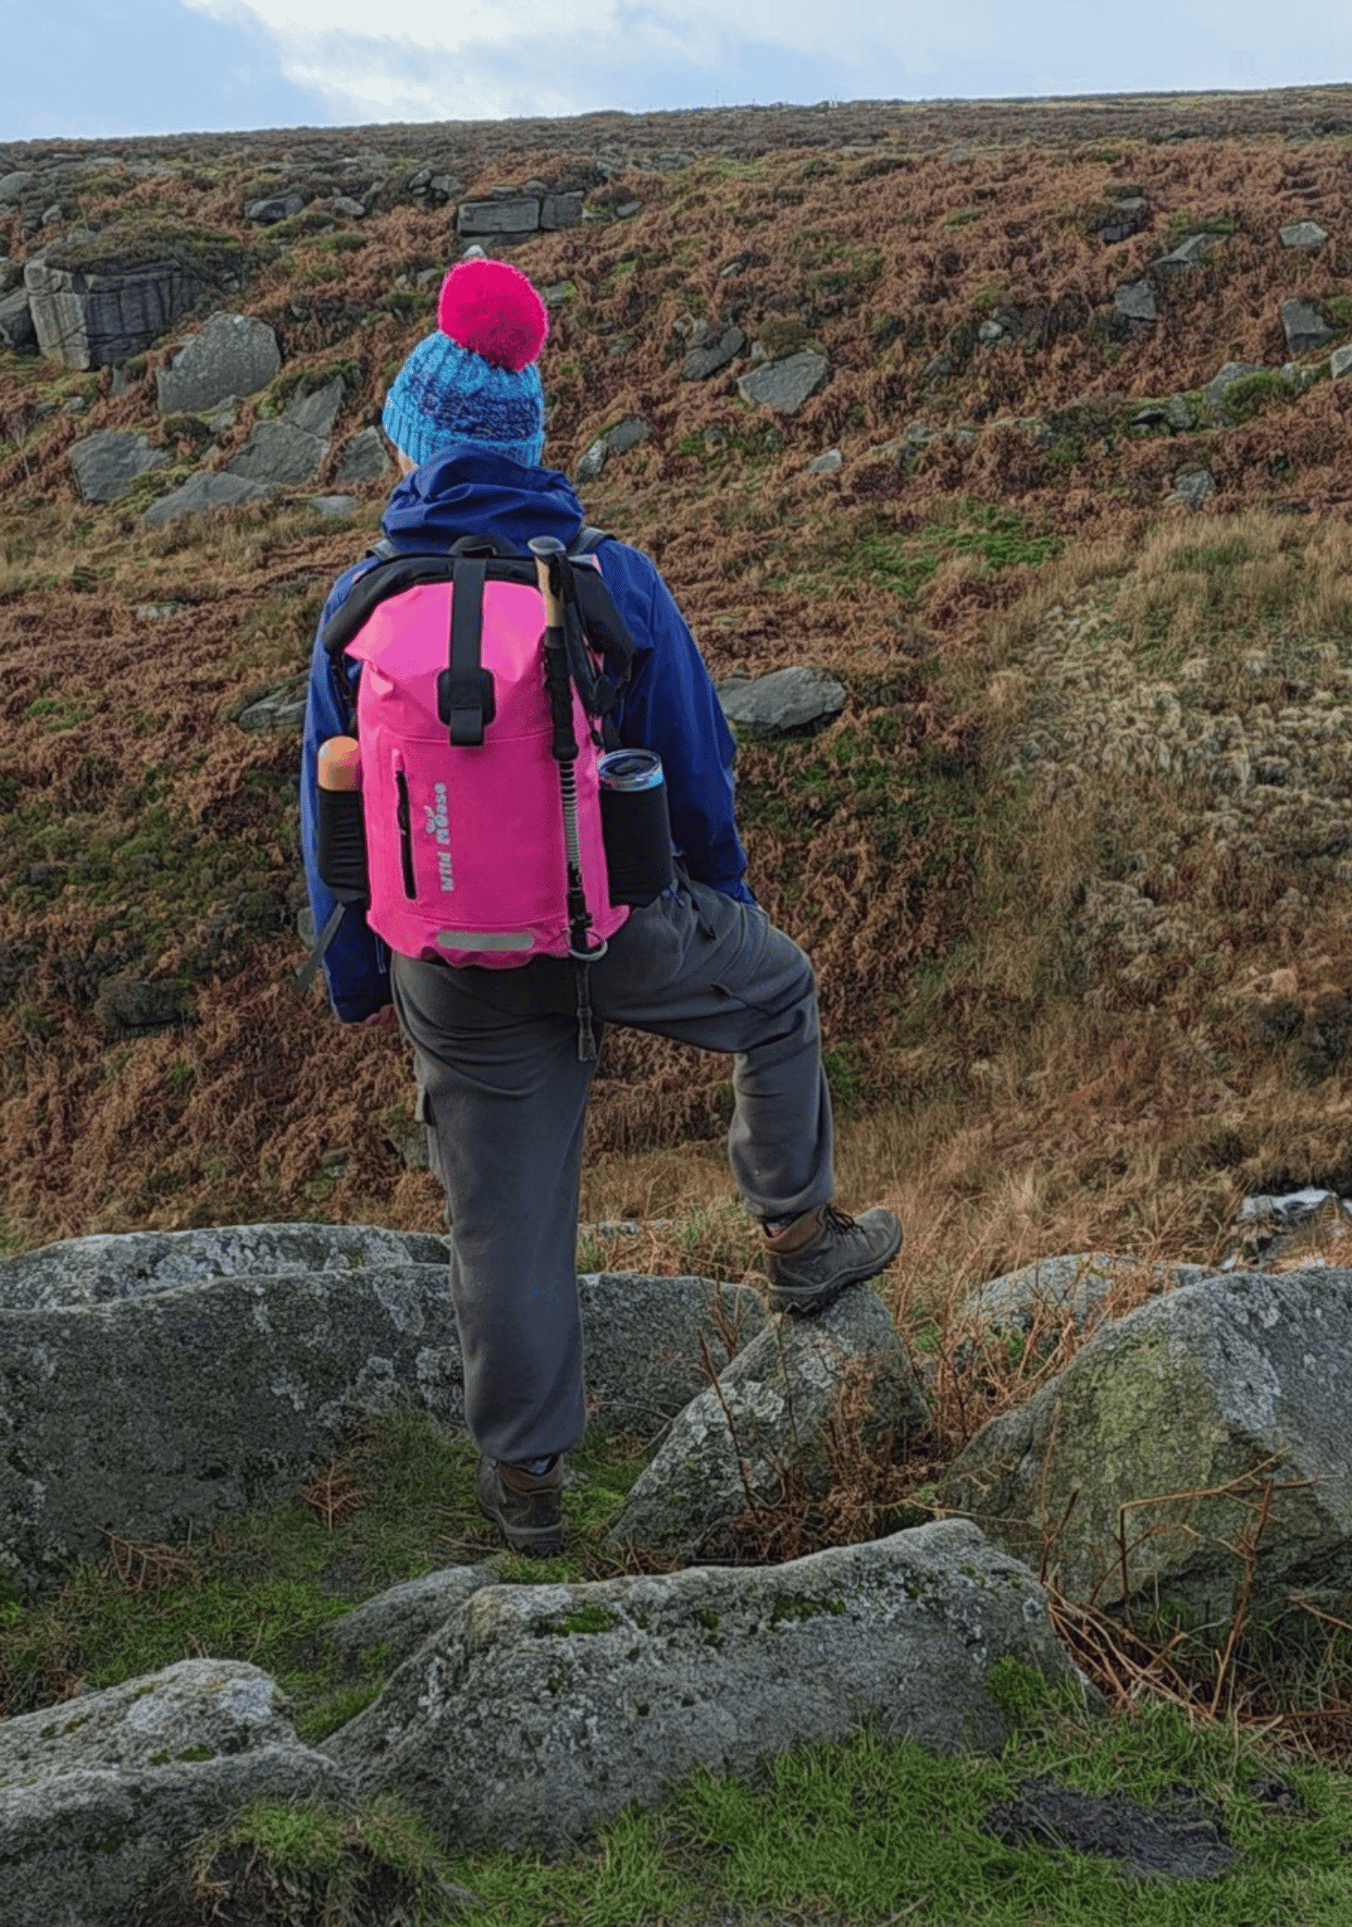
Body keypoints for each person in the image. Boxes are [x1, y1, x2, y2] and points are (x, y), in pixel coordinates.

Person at [301, 257, 901, 1556]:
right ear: (525, 436)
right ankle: (799, 1234)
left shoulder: (359, 605)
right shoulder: (607, 574)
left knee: (502, 1225)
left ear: (414, 446)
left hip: (453, 969)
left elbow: (334, 821)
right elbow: (696, 768)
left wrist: (360, 978)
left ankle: (527, 1489)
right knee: (781, 994)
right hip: (624, 928)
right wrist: (714, 914)